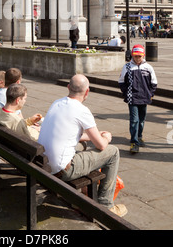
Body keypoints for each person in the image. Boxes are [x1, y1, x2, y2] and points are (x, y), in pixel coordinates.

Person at [38, 74, 127, 217]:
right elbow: (102, 146)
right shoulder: (82, 110)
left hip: (42, 163)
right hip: (61, 170)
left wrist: (94, 136)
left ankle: (85, 196)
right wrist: (106, 138)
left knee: (82, 146)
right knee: (113, 152)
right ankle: (106, 206)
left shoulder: (57, 103)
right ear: (87, 91)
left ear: (68, 88)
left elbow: (72, 134)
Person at [118, 44, 157, 154]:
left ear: (143, 56)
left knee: (142, 119)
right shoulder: (127, 67)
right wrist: (126, 92)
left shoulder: (148, 67)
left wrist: (151, 93)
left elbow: (154, 82)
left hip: (144, 97)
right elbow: (121, 81)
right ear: (132, 56)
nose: (137, 58)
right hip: (132, 98)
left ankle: (139, 136)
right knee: (134, 120)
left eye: (139, 56)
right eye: (135, 56)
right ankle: (134, 142)